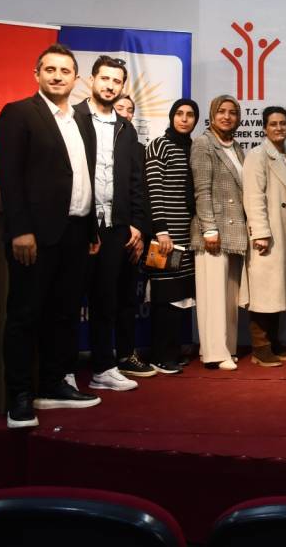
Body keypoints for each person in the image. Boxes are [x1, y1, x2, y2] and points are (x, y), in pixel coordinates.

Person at [0, 44, 102, 428]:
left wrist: (90, 229)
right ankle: (19, 398)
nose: (57, 76)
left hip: (76, 232)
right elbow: (9, 177)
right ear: (37, 74)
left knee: (64, 314)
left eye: (65, 71)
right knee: (25, 315)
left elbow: (84, 176)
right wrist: (21, 229)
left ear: (76, 79)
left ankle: (54, 385)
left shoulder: (81, 121)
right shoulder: (19, 113)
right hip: (36, 236)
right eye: (50, 69)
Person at [74, 56, 148, 392]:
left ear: (122, 86)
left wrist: (136, 224)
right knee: (66, 302)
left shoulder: (126, 129)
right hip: (77, 223)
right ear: (91, 80)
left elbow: (136, 181)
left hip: (115, 227)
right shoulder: (72, 118)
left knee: (106, 301)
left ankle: (104, 367)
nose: (109, 85)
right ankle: (61, 372)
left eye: (116, 81)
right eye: (104, 78)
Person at [242, 106, 286, 367]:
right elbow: (253, 196)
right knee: (264, 291)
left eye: (283, 123)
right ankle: (260, 347)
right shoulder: (257, 155)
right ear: (264, 128)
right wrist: (261, 233)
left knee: (277, 290)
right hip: (268, 234)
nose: (279, 128)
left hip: (284, 233)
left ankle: (273, 342)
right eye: (273, 124)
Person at [191, 95, 247, 371]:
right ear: (212, 115)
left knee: (228, 297)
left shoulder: (237, 147)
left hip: (234, 232)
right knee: (212, 295)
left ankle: (226, 348)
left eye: (232, 112)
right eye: (221, 111)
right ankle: (214, 352)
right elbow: (202, 189)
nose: (227, 116)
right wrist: (209, 228)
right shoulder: (203, 143)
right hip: (213, 232)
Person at [145, 99, 199, 375]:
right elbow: (153, 190)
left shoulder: (194, 148)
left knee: (181, 296)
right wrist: (161, 230)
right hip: (166, 237)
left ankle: (172, 352)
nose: (184, 119)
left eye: (190, 115)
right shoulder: (159, 145)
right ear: (171, 116)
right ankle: (159, 355)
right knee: (165, 296)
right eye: (179, 113)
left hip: (188, 235)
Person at [111, 94, 156, 378]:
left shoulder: (139, 148)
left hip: (132, 235)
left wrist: (139, 231)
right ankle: (100, 360)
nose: (125, 113)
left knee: (127, 297)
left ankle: (127, 354)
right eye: (120, 108)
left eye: (130, 110)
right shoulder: (89, 139)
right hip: (99, 233)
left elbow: (142, 192)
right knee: (100, 299)